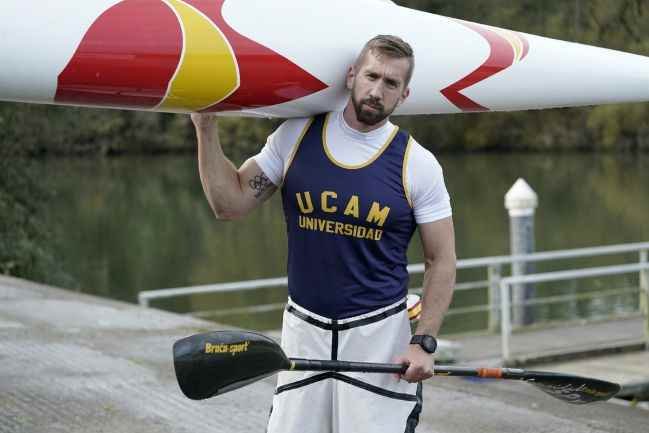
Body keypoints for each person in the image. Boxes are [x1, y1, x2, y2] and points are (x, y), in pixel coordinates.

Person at [192, 35, 455, 433]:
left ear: (404, 95)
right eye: (371, 76)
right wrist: (205, 127)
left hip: (378, 337)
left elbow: (443, 260)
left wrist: (424, 342)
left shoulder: (418, 164)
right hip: (304, 330)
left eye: (391, 84)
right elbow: (230, 204)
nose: (376, 90)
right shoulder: (295, 135)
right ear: (352, 75)